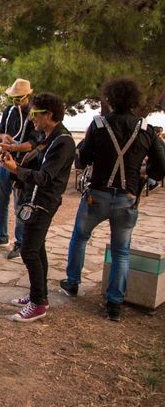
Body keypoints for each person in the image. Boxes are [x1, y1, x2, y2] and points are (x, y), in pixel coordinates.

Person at [60, 78, 165, 321]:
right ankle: (114, 304)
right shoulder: (147, 129)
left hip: (97, 195)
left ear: (110, 99)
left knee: (80, 238)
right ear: (135, 100)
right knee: (121, 252)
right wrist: (143, 175)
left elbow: (82, 159)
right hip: (127, 199)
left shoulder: (98, 125)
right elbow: (161, 167)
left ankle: (73, 282)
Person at [0, 93, 75, 322]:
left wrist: (15, 171)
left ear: (48, 115)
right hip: (37, 200)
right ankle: (37, 295)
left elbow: (45, 177)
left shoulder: (62, 142)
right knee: (37, 248)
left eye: (34, 113)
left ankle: (38, 302)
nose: (31, 118)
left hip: (44, 202)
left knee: (29, 251)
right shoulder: (50, 137)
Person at [0, 78, 38, 259]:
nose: (16, 102)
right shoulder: (9, 111)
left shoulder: (33, 114)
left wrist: (15, 147)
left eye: (19, 98)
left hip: (22, 165)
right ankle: (1, 235)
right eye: (13, 98)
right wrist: (4, 137)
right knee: (0, 201)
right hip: (6, 160)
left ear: (27, 96)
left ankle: (20, 242)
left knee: (19, 204)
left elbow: (34, 144)